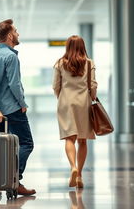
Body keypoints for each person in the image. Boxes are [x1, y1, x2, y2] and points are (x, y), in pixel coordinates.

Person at [0, 19, 36, 197]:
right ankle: (13, 180)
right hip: (11, 109)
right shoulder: (10, 56)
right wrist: (23, 104)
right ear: (9, 36)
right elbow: (14, 84)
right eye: (16, 31)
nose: (18, 34)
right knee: (26, 143)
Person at [52, 35, 97, 189]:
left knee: (69, 138)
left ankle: (73, 167)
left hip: (65, 103)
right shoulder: (89, 63)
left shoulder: (59, 63)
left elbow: (55, 86)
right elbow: (93, 85)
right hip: (83, 103)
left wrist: (62, 98)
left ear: (68, 47)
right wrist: (91, 98)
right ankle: (79, 176)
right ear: (82, 46)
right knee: (82, 140)